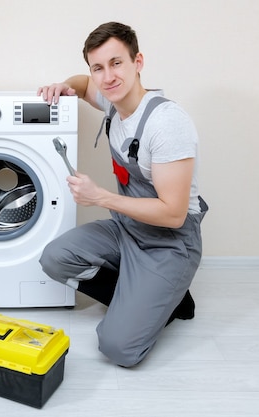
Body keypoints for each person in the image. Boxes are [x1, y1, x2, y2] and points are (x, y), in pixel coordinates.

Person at [37, 22, 207, 367]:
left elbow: (174, 214)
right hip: (127, 229)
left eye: (116, 63)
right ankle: (149, 300)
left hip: (169, 242)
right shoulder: (113, 101)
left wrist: (100, 198)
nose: (106, 76)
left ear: (138, 62)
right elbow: (82, 85)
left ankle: (162, 301)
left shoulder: (166, 123)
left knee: (118, 348)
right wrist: (65, 86)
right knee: (55, 258)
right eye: (98, 67)